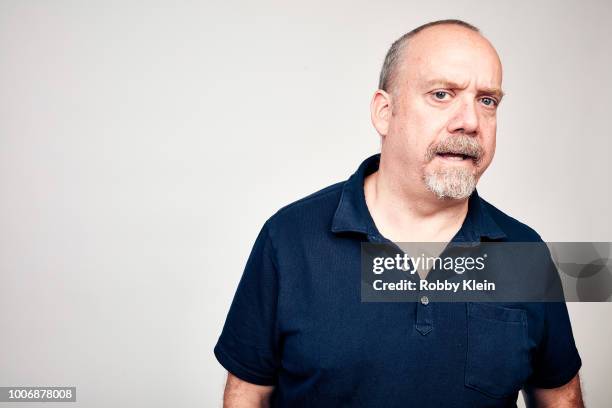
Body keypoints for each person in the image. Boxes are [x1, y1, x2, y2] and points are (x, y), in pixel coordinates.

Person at [214, 19, 584, 407]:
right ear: (384, 112)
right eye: (442, 94)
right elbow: (247, 393)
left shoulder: (524, 253)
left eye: (486, 100)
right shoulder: (288, 238)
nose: (471, 121)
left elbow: (560, 398)